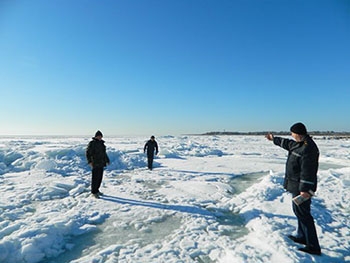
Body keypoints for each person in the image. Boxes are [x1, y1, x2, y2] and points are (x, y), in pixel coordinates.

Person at [266, 122, 321, 255]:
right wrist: (274, 139)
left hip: (302, 188)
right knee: (299, 212)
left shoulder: (308, 149)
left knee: (304, 215)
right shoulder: (299, 144)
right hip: (296, 185)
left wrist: (304, 190)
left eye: (293, 133)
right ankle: (302, 237)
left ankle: (313, 246)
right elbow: (287, 144)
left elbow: (307, 172)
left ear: (298, 134)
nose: (291, 136)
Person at [86, 130, 110, 198]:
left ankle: (97, 190)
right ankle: (93, 191)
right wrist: (90, 161)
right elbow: (88, 153)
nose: (100, 137)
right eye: (98, 136)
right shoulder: (92, 143)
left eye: (101, 136)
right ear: (96, 136)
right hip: (95, 162)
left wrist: (107, 160)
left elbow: (104, 153)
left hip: (101, 163)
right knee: (95, 178)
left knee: (100, 177)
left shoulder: (102, 143)